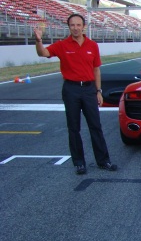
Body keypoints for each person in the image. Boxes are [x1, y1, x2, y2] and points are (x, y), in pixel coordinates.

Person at [34, 13, 117, 175]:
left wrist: (98, 91)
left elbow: (96, 69)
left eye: (78, 25)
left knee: (96, 126)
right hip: (71, 89)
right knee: (74, 128)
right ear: (69, 27)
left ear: (83, 26)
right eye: (72, 25)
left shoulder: (92, 45)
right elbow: (42, 53)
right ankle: (79, 163)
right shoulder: (62, 45)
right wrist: (38, 40)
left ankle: (103, 161)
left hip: (89, 89)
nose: (76, 28)